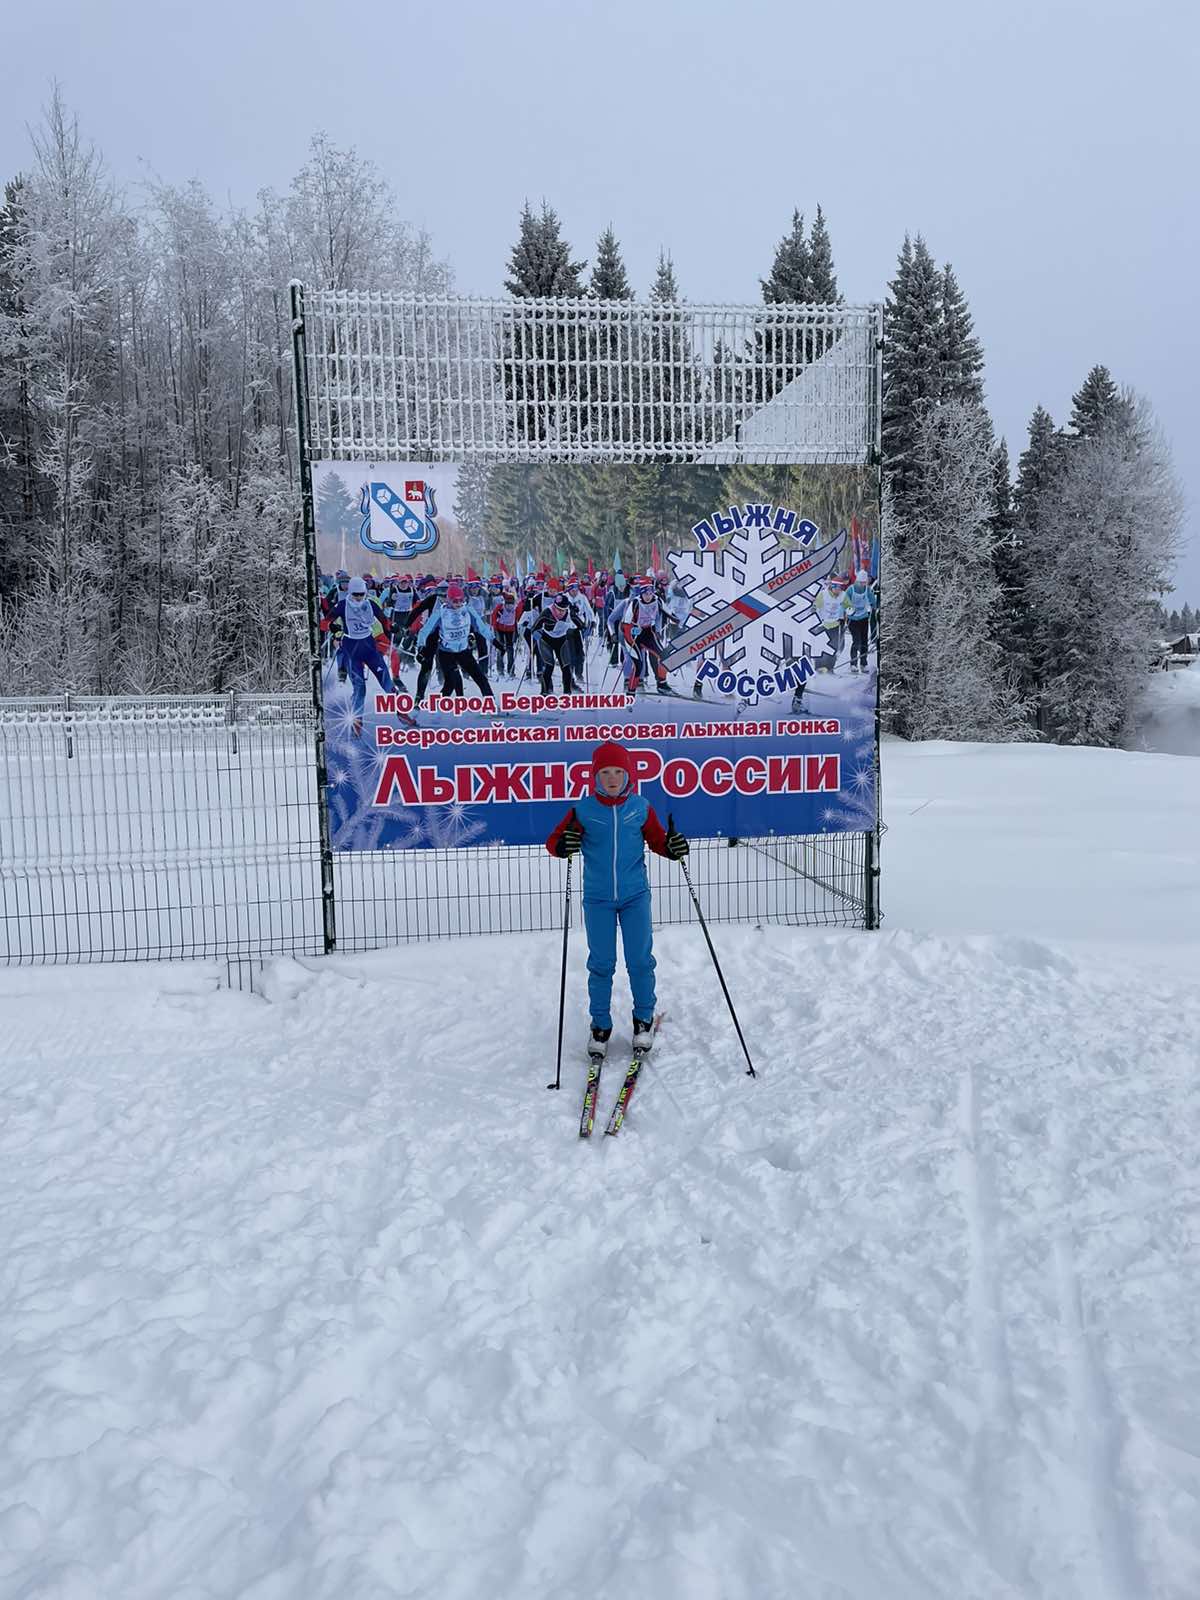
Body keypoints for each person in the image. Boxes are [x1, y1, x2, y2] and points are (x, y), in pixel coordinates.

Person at [546, 740, 689, 1056]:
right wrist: (563, 845)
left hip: (635, 896)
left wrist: (672, 847)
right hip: (598, 899)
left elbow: (657, 840)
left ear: (629, 776)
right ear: (595, 776)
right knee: (601, 963)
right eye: (605, 772)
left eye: (619, 772)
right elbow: (554, 841)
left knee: (640, 960)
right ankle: (600, 1025)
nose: (612, 779)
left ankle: (643, 1020)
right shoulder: (582, 811)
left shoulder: (640, 808)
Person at [326, 576, 397, 737]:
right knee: (360, 689)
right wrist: (333, 627)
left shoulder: (370, 604)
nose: (359, 598)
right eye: (356, 594)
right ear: (350, 593)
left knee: (386, 683)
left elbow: (385, 621)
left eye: (361, 594)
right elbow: (326, 623)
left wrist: (392, 627)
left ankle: (402, 711)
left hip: (370, 649)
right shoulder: (342, 605)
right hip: (352, 652)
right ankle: (357, 724)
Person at [415, 581, 495, 700]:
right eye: (454, 600)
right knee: (451, 679)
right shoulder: (437, 608)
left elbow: (479, 626)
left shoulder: (466, 609)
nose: (458, 603)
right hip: (443, 648)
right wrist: (421, 647)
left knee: (479, 677)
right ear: (448, 599)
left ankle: (490, 701)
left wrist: (493, 640)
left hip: (461, 649)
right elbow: (423, 628)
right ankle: (425, 698)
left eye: (460, 600)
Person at [841, 569, 877, 674]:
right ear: (857, 581)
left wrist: (875, 607)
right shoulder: (850, 590)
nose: (862, 584)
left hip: (863, 617)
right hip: (852, 619)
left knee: (864, 641)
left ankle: (863, 663)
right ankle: (853, 663)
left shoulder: (867, 589)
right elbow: (844, 602)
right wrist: (847, 612)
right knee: (856, 641)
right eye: (861, 582)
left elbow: (872, 601)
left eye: (864, 582)